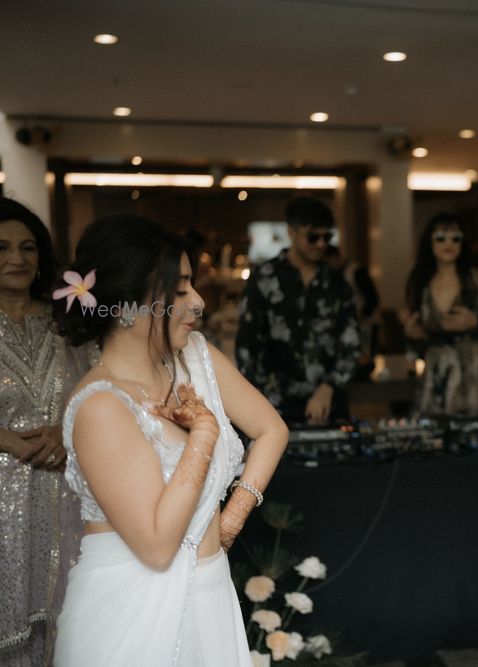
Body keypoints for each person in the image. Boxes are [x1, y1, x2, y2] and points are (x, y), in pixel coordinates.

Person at [52, 214, 288, 666]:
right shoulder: (100, 406)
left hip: (209, 591)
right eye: (179, 290)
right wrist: (203, 434)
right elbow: (158, 547)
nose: (198, 302)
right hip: (134, 610)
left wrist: (233, 517)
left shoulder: (196, 357)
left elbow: (272, 429)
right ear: (127, 304)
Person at [0, 197, 90, 666]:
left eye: (28, 247)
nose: (17, 258)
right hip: (2, 502)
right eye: (1, 247)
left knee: (67, 624)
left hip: (65, 498)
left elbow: (104, 391)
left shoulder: (68, 322)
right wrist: (9, 440)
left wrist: (66, 429)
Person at [236, 196, 359, 424]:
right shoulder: (264, 277)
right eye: (313, 237)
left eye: (327, 237)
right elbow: (247, 346)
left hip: (330, 405)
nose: (321, 244)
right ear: (292, 232)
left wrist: (329, 387)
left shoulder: (337, 283)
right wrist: (258, 402)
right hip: (274, 407)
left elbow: (351, 344)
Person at [403, 213, 478, 416]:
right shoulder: (420, 282)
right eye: (441, 238)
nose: (448, 244)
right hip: (439, 371)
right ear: (430, 243)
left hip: (477, 369)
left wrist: (475, 321)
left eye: (456, 238)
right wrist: (412, 334)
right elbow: (418, 337)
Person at [325, 244, 380, 378]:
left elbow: (372, 297)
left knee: (365, 355)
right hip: (351, 323)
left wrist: (361, 314)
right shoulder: (335, 274)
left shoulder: (355, 271)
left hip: (366, 323)